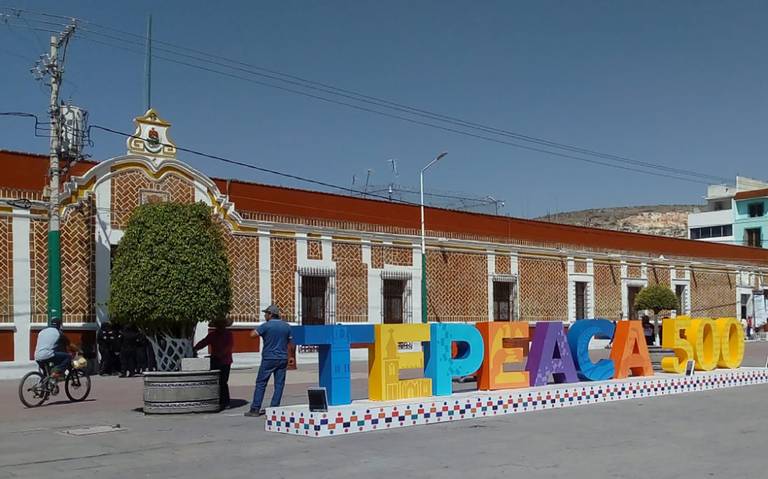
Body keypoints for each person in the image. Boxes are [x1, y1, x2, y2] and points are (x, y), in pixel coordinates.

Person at [245, 304, 292, 417]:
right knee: (279, 384)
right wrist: (291, 357)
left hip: (269, 358)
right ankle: (274, 409)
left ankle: (255, 409)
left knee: (261, 383)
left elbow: (252, 335)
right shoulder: (287, 326)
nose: (265, 315)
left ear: (270, 314)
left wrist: (260, 331)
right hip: (282, 358)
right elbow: (291, 343)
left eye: (266, 313)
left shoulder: (266, 326)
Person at [194, 318, 234, 410]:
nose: (220, 327)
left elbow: (229, 347)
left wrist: (221, 354)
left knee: (223, 382)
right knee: (214, 381)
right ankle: (216, 399)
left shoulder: (228, 334)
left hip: (225, 361)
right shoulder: (212, 335)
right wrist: (195, 348)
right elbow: (204, 342)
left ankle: (225, 402)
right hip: (215, 360)